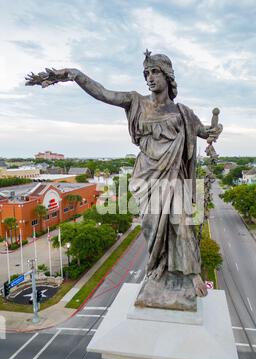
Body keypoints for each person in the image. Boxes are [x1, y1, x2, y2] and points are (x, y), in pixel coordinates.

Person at [26, 51, 223, 311]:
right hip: (147, 175)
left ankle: (190, 273)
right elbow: (103, 93)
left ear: (168, 75)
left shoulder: (184, 113)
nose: (149, 78)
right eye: (146, 73)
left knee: (182, 224)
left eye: (154, 72)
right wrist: (73, 74)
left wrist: (213, 130)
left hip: (174, 178)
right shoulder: (135, 101)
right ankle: (158, 270)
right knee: (152, 227)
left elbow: (205, 132)